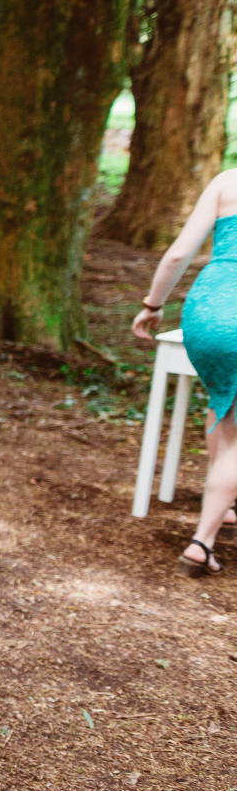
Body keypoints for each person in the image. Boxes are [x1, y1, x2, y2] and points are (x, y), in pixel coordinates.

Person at [134, 168, 237, 576]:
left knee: (224, 397)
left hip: (207, 312)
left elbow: (178, 254)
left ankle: (225, 501)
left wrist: (153, 305)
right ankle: (201, 542)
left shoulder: (227, 181)